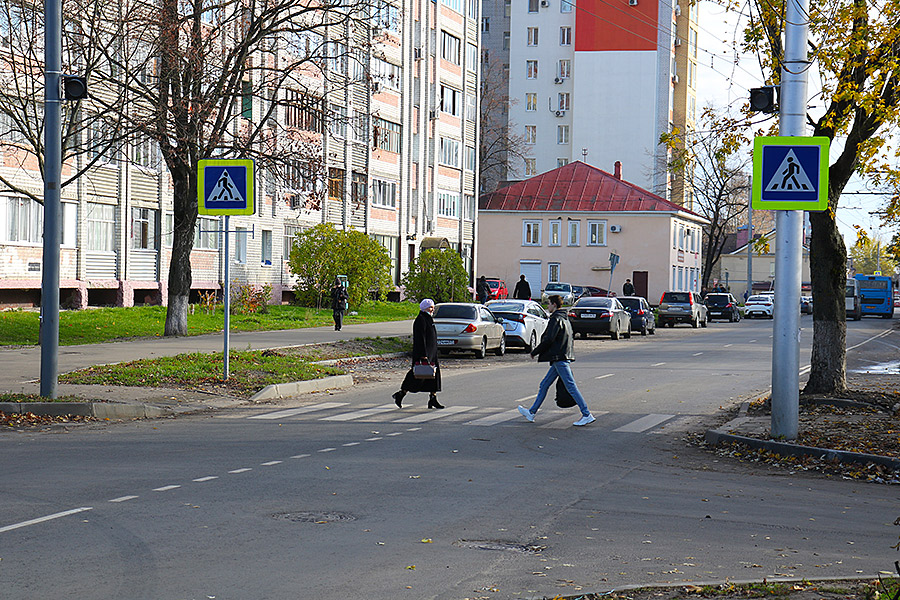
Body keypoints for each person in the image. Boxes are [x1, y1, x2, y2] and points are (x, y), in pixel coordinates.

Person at [518, 294, 595, 426]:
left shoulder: (555, 319)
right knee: (544, 384)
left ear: (554, 304)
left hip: (559, 358)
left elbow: (549, 339)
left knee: (571, 386)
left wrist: (536, 351)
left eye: (548, 304)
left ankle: (586, 414)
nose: (547, 306)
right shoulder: (565, 319)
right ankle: (531, 412)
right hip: (561, 356)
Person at [393, 299, 444, 410]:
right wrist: (423, 354)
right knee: (417, 376)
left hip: (431, 353)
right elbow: (420, 338)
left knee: (433, 376)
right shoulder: (421, 319)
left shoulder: (428, 318)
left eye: (433, 307)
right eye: (430, 307)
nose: (432, 309)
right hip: (424, 353)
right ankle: (400, 394)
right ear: (424, 307)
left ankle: (433, 398)